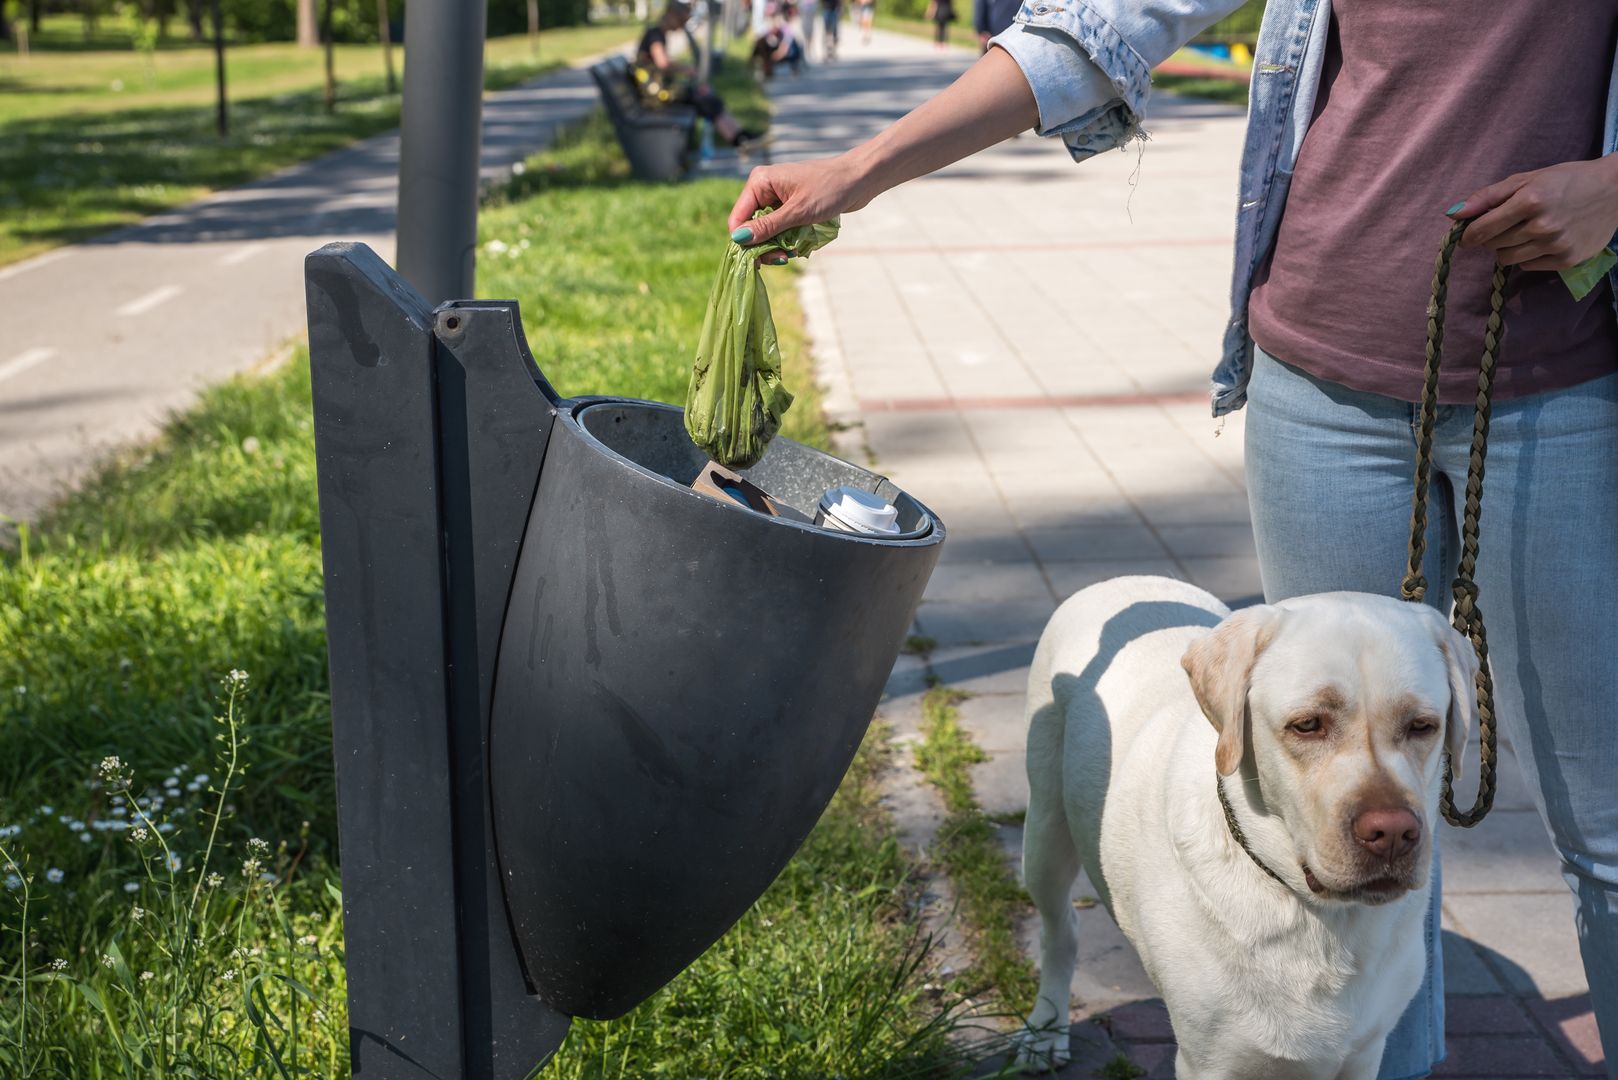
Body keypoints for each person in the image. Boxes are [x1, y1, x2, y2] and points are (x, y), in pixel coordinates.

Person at [727, 3, 1618, 1078]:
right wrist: (862, 168)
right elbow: (1107, 20)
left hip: (1567, 382)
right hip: (1320, 385)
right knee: (1356, 814)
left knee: (1607, 834)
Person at [636, 0, 763, 148]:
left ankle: (740, 137)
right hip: (657, 97)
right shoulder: (656, 35)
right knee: (707, 101)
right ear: (671, 15)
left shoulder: (657, 33)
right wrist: (687, 69)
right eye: (682, 20)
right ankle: (740, 140)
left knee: (708, 97)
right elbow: (662, 62)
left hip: (659, 93)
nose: (682, 26)